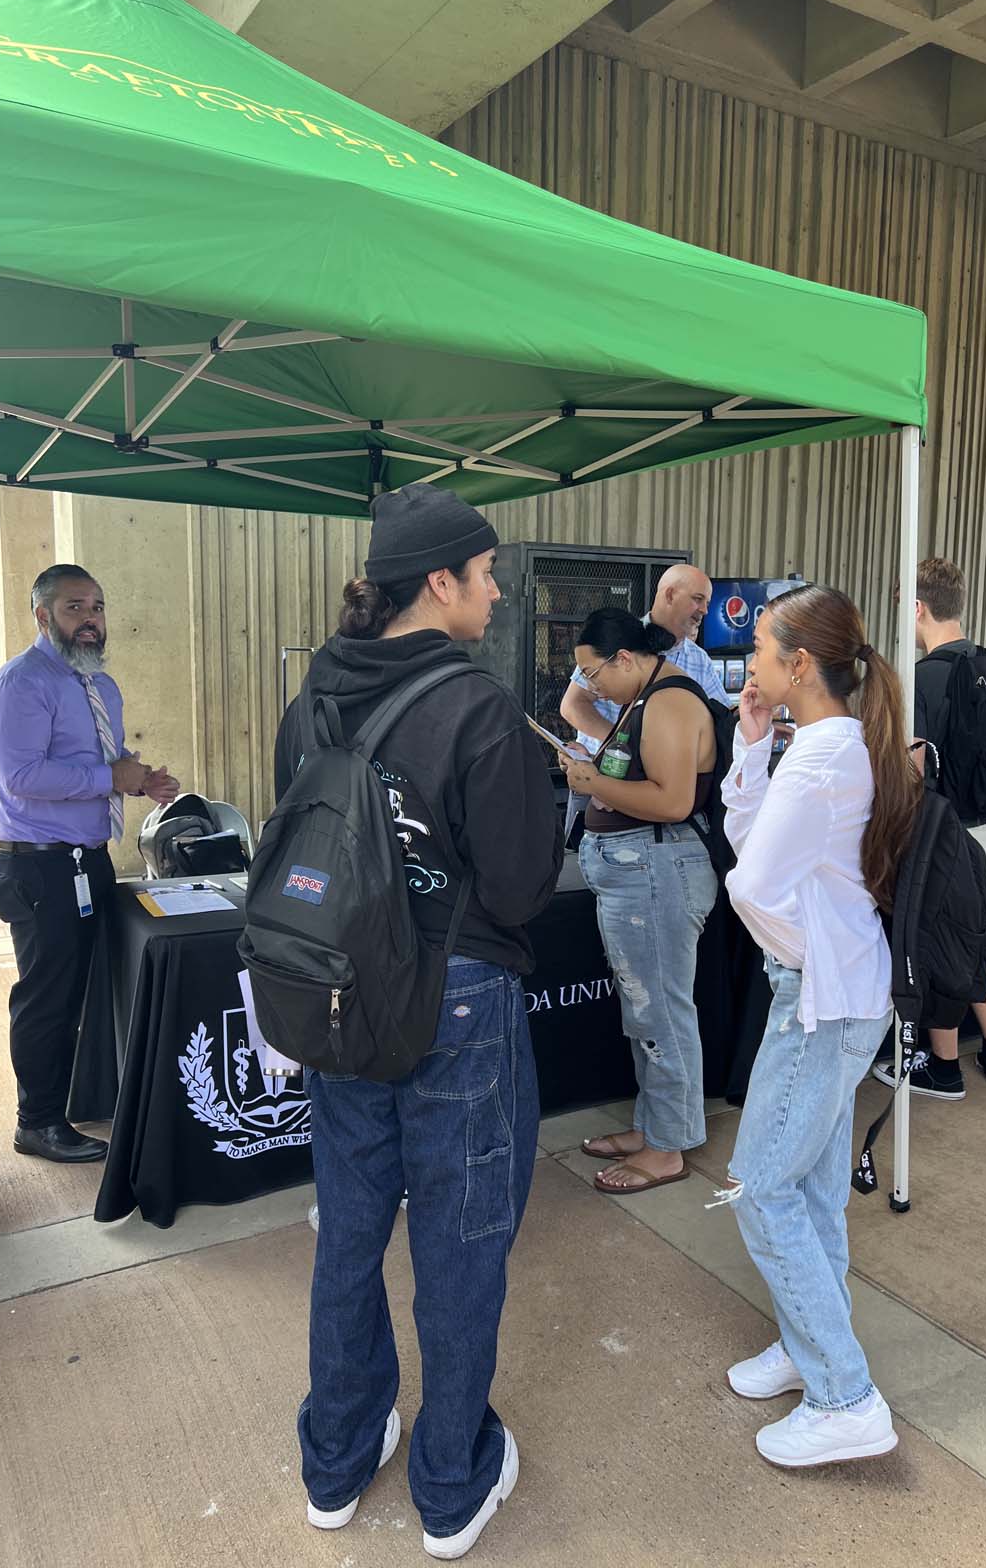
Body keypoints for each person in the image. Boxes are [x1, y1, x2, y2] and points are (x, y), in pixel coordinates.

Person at [273, 483, 563, 1557]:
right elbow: (526, 881)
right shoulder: (479, 706)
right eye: (486, 575)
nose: (496, 593)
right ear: (439, 582)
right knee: (461, 1235)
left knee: (349, 1225)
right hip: (458, 996)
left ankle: (338, 1461)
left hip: (342, 992)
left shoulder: (314, 697)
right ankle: (449, 1482)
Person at [716, 583, 921, 1468]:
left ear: (799, 664)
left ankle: (845, 1394)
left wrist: (799, 957)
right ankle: (813, 1352)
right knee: (808, 1190)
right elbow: (762, 848)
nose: (749, 665)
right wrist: (752, 750)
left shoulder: (826, 755)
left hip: (822, 998)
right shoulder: (828, 744)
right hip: (836, 992)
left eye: (761, 649)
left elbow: (752, 886)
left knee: (763, 1187)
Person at [0, 565, 178, 1163]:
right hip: (39, 869)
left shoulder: (101, 685)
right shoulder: (22, 683)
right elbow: (21, 778)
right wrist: (107, 777)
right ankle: (36, 1122)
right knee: (47, 997)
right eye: (74, 608)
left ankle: (60, 1103)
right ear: (43, 616)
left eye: (96, 607)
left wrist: (138, 779)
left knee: (76, 994)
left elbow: (102, 758)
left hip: (86, 861)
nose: (90, 620)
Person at [562, 608, 719, 1194]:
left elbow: (674, 801)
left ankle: (667, 1147)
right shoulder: (641, 700)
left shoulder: (671, 702)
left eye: (592, 674)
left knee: (660, 1010)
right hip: (636, 872)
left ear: (624, 658)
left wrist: (590, 782)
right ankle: (656, 1125)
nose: (590, 687)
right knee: (644, 1007)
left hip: (658, 872)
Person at [873, 557, 986, 1099]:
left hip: (938, 832)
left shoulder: (922, 677)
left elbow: (913, 767)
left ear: (917, 606)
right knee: (979, 935)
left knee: (936, 941)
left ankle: (944, 1065)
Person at [558, 563, 729, 835]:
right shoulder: (614, 639)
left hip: (651, 804)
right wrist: (617, 746)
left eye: (707, 602)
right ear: (670, 595)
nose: (705, 611)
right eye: (697, 599)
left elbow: (722, 716)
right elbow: (572, 705)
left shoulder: (696, 664)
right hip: (598, 771)